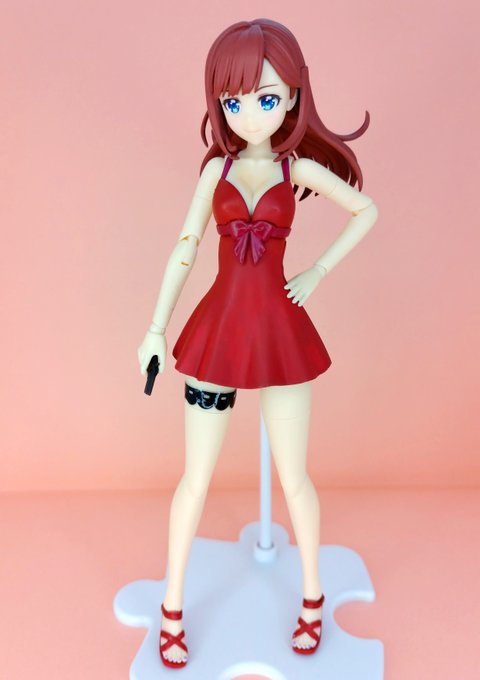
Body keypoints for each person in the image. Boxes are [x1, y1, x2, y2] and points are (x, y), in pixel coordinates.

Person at [137, 18, 378, 669]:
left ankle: (311, 598)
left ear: (293, 96)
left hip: (279, 337)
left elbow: (366, 210)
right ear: (219, 103)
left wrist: (318, 270)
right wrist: (156, 328)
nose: (248, 114)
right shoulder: (215, 171)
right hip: (216, 336)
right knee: (195, 478)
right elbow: (185, 248)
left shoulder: (298, 168)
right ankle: (172, 605)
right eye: (233, 101)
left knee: (294, 478)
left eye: (266, 98)